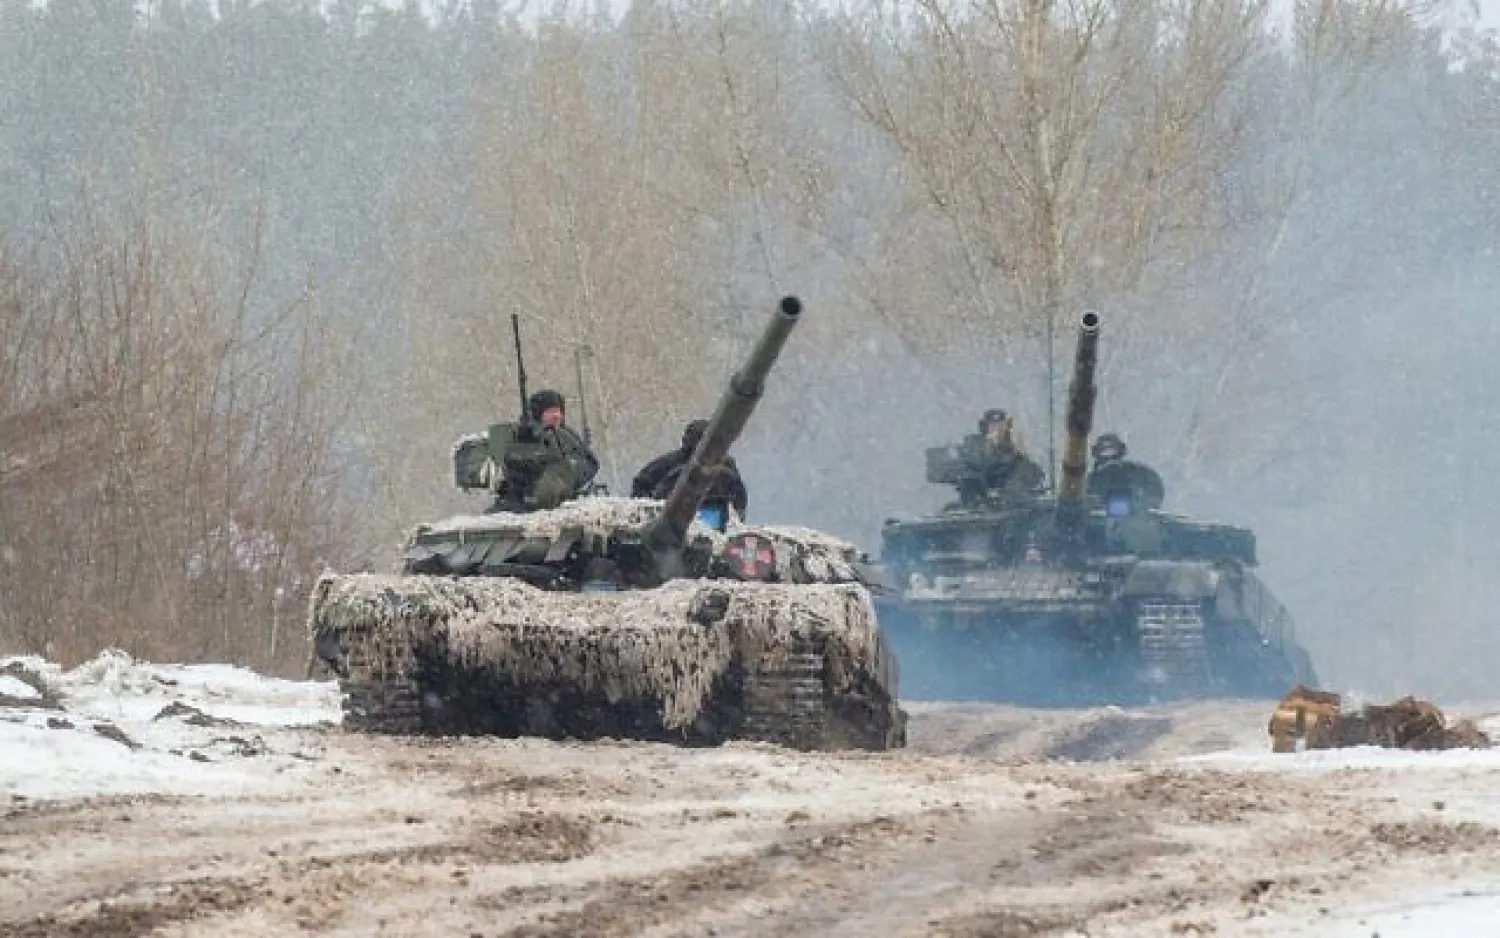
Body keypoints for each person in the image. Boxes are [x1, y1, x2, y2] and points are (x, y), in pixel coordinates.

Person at [487, 388, 600, 513]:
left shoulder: (566, 436)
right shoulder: (522, 435)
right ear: (539, 413)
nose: (556, 416)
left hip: (563, 502)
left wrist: (569, 472)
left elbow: (590, 463)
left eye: (558, 411)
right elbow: (511, 466)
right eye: (551, 411)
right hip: (522, 503)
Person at [631, 418, 749, 515]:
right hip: (671, 519)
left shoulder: (726, 466)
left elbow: (739, 497)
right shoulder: (668, 464)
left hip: (714, 518)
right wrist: (650, 511)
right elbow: (640, 486)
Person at [953, 408, 1045, 507]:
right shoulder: (971, 468)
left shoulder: (1028, 470)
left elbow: (1032, 482)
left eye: (1005, 428)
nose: (1001, 433)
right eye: (994, 428)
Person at [1085, 431, 1165, 512]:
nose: (1107, 454)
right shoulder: (1090, 481)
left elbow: (1154, 497)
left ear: (1121, 451)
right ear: (1096, 452)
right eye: (1103, 450)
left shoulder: (1138, 472)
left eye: (1111, 449)